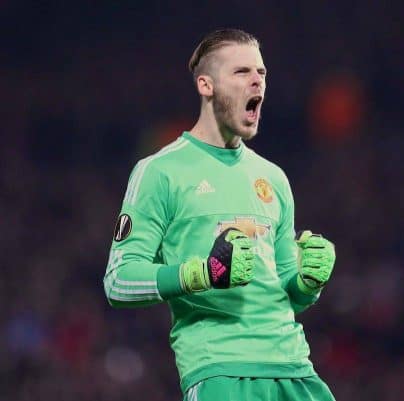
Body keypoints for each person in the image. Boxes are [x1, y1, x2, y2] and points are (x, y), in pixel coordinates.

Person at [103, 28, 337, 401]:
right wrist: (199, 274)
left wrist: (308, 282)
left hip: (295, 369)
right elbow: (118, 281)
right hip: (220, 372)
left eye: (262, 73)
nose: (257, 80)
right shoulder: (160, 172)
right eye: (242, 72)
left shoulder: (272, 178)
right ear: (206, 85)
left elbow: (286, 292)